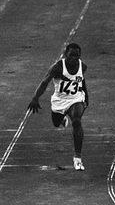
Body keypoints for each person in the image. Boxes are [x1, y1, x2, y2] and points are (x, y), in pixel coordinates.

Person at [28, 43, 89, 171]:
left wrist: (86, 98)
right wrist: (35, 98)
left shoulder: (82, 66)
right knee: (56, 123)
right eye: (71, 55)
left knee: (77, 121)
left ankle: (77, 159)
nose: (74, 58)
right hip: (59, 100)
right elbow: (45, 82)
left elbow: (82, 81)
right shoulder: (57, 68)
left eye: (77, 56)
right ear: (66, 54)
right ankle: (62, 119)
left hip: (76, 99)